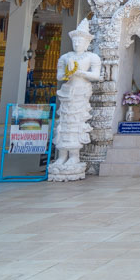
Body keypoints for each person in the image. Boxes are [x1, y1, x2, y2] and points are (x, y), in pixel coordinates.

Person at [49, 19, 102, 181]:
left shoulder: (92, 57)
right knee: (63, 124)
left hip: (81, 93)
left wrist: (80, 73)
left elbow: (96, 76)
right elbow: (59, 76)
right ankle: (62, 155)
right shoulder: (66, 57)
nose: (78, 43)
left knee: (76, 123)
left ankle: (74, 156)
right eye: (75, 40)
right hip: (68, 92)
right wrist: (68, 72)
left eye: (81, 40)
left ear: (87, 42)